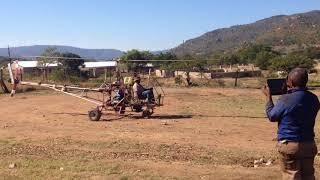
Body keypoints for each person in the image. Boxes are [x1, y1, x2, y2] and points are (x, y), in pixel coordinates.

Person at [262, 68, 320, 180]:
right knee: (308, 176)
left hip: (290, 145)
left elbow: (272, 116)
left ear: (291, 82)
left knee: (291, 175)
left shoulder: (285, 99)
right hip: (308, 144)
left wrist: (268, 98)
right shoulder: (314, 98)